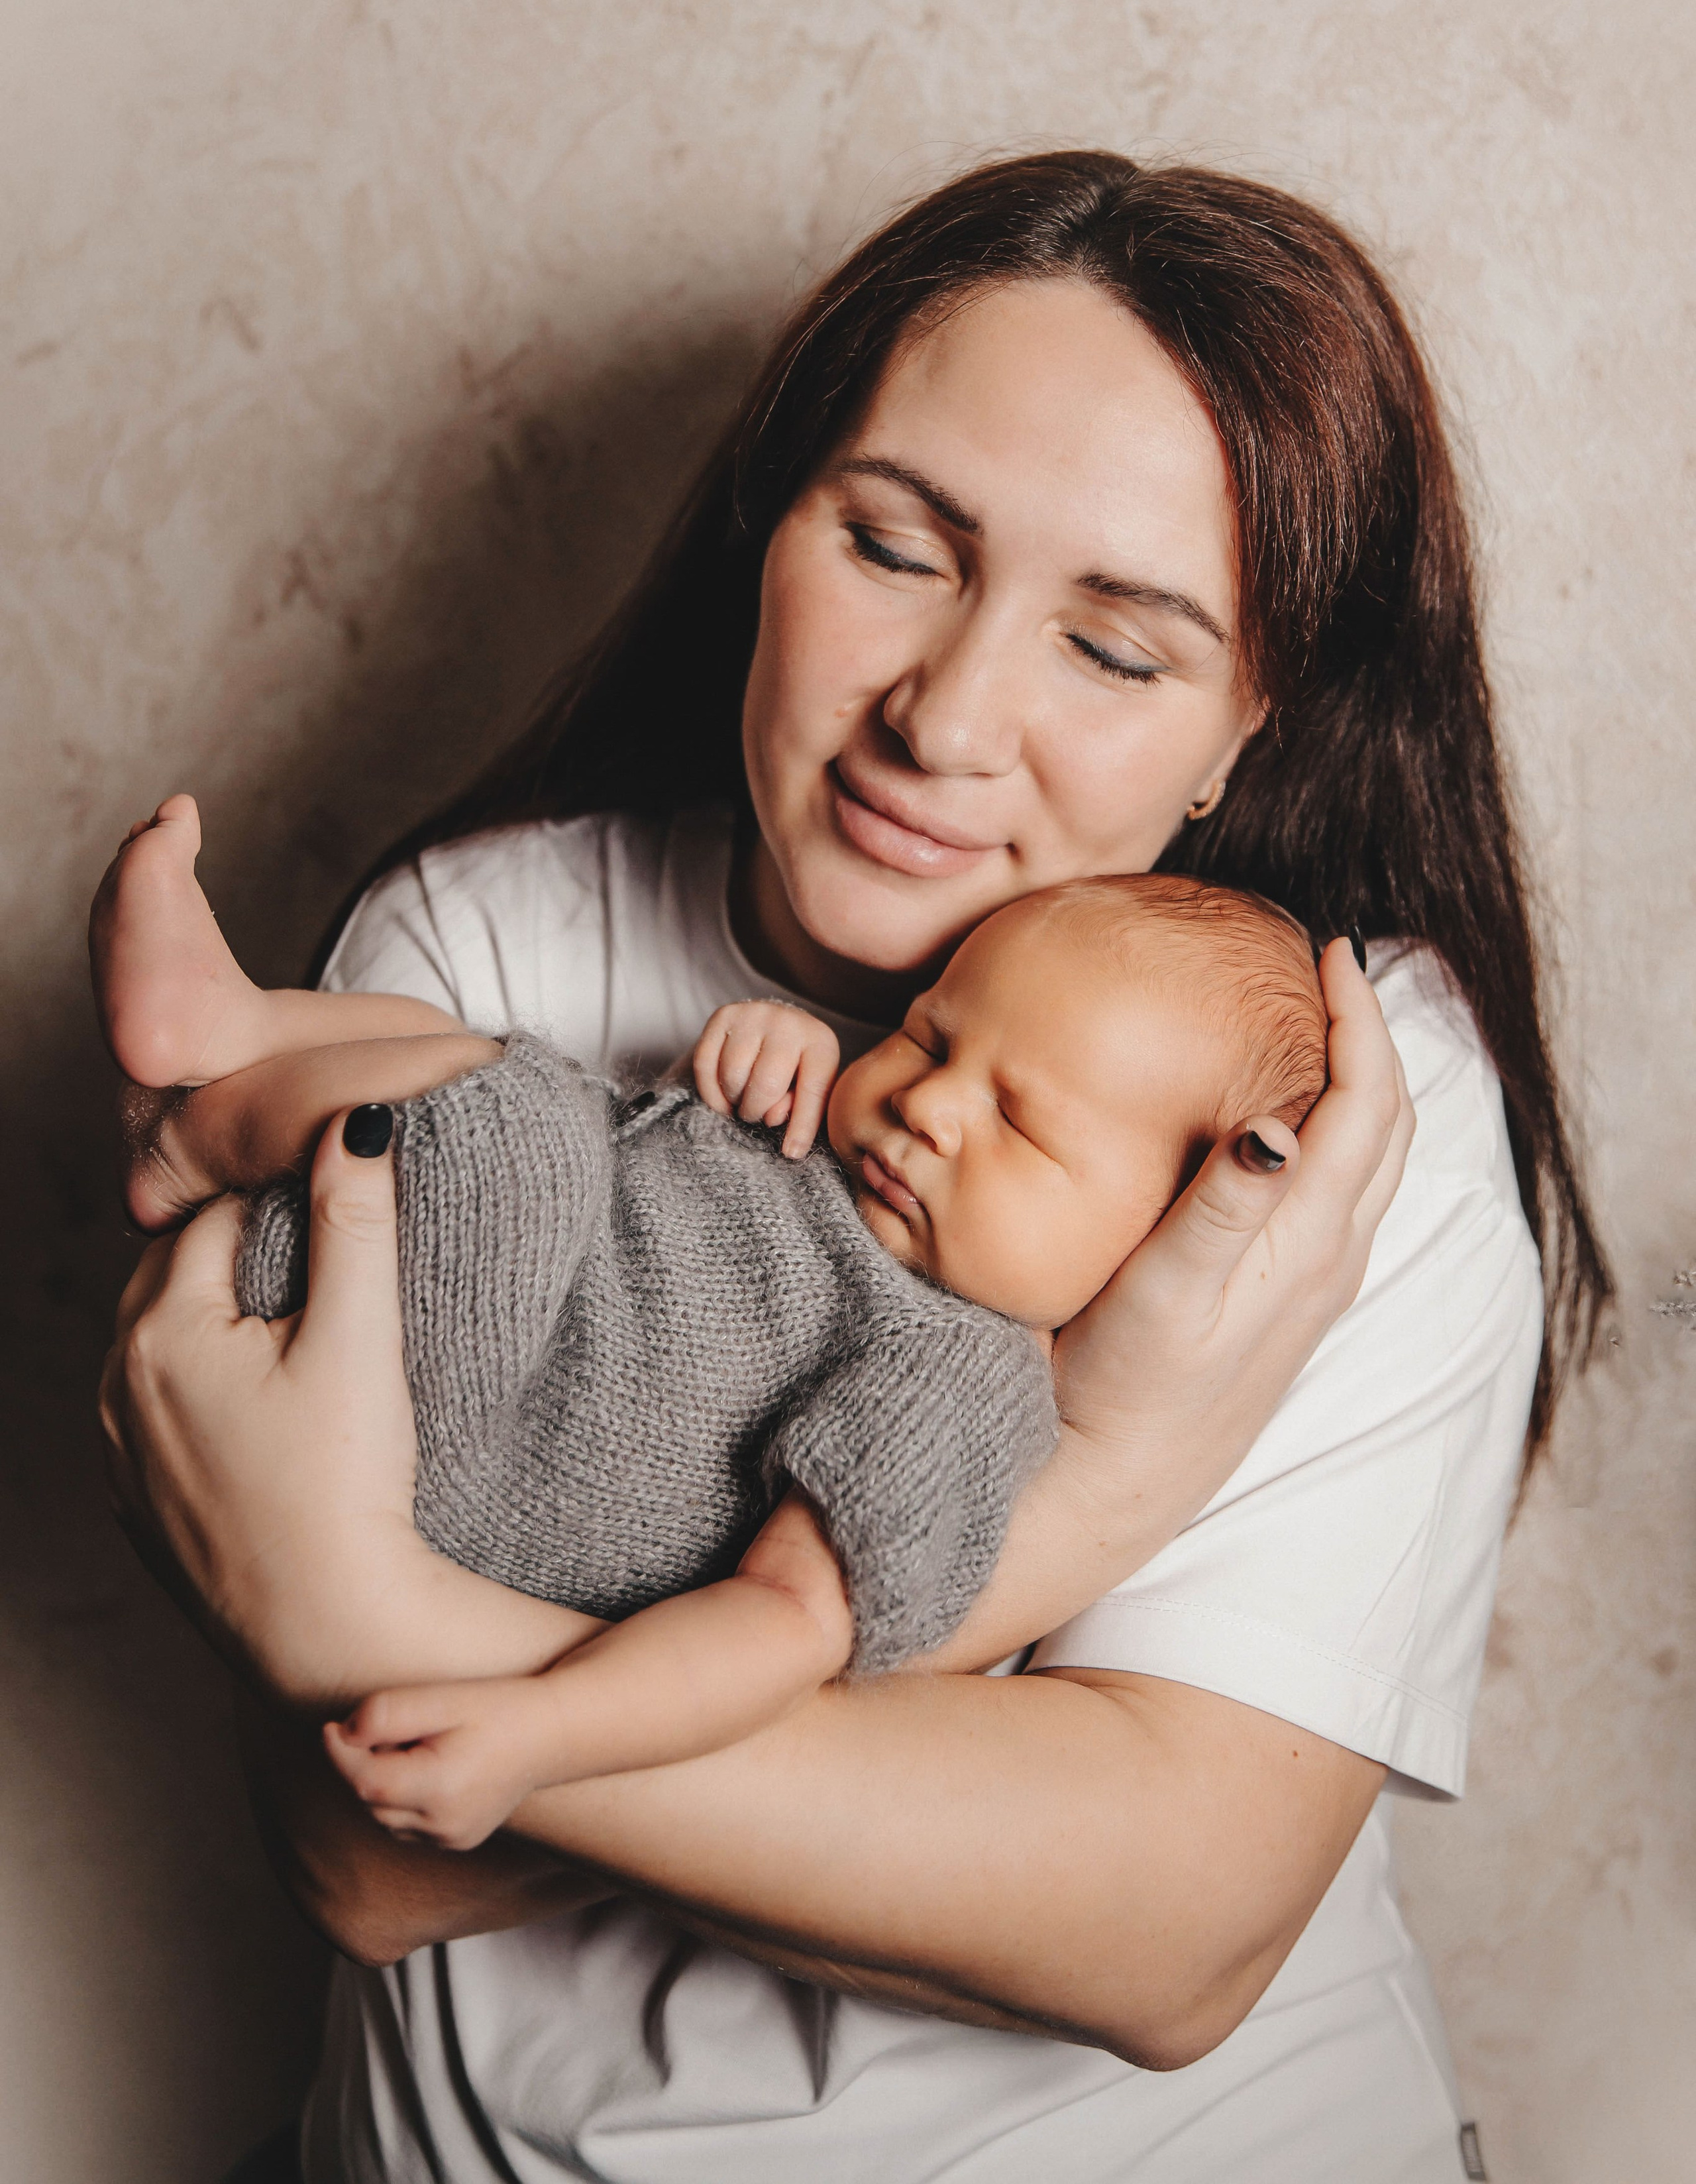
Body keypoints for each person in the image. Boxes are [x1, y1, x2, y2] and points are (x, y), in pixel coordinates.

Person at [101, 153, 1609, 2183]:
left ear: (1249, 733)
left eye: (1120, 650)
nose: (949, 717)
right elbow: (364, 1866)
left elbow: (1164, 1929)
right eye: (896, 546)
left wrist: (361, 1598)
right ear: (771, 529)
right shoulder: (485, 952)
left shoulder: (1321, 1095)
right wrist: (1104, 1498)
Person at [93, 806, 1328, 1849]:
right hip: (368, 1328)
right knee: (502, 1075)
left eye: (1021, 1123)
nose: (929, 1105)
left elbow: (783, 1626)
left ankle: (203, 1118)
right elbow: (647, 1197)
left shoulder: (958, 1374)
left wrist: (544, 1731)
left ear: (1165, 1231)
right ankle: (224, 1050)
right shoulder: (841, 1157)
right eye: (931, 1036)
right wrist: (737, 1071)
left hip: (472, 1467)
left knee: (512, 1101)